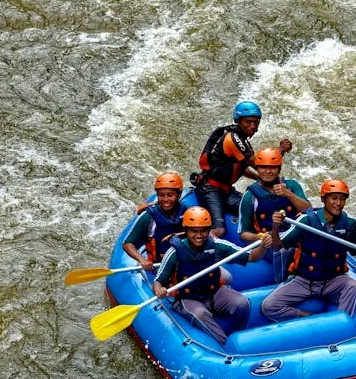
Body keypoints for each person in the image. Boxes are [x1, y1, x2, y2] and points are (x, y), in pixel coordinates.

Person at [262, 179, 356, 322]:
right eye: (334, 198)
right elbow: (278, 246)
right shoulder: (306, 221)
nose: (338, 203)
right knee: (268, 306)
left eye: (342, 199)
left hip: (333, 281)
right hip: (304, 281)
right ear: (323, 199)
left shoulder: (349, 224)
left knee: (352, 285)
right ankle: (308, 317)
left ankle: (340, 323)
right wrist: (276, 226)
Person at [153, 206, 271, 346]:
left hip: (213, 291)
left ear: (209, 230)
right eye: (194, 231)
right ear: (186, 230)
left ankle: (239, 335)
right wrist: (159, 290)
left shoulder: (216, 245)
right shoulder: (174, 252)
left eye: (203, 231)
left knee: (242, 303)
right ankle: (225, 345)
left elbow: (251, 257)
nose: (199, 235)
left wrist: (264, 246)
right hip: (187, 297)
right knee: (200, 314)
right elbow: (158, 282)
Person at [193, 100, 293, 238]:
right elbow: (258, 163)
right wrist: (280, 150)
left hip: (226, 190)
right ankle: (205, 253)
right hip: (210, 189)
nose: (252, 126)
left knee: (254, 209)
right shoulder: (233, 139)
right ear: (238, 121)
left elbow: (241, 167)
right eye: (248, 121)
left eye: (256, 122)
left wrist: (259, 178)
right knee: (219, 230)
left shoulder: (242, 139)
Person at [237, 147, 309, 282]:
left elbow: (308, 210)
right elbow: (243, 234)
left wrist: (289, 194)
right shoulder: (249, 197)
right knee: (281, 251)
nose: (268, 171)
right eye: (263, 167)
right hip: (270, 243)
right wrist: (260, 237)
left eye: (273, 167)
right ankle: (285, 282)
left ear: (279, 169)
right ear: (257, 169)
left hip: (296, 237)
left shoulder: (291, 185)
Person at [122, 171, 187, 271]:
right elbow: (128, 244)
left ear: (179, 195)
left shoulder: (186, 211)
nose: (165, 199)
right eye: (161, 195)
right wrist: (142, 260)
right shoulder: (149, 217)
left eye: (170, 195)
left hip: (183, 260)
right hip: (159, 265)